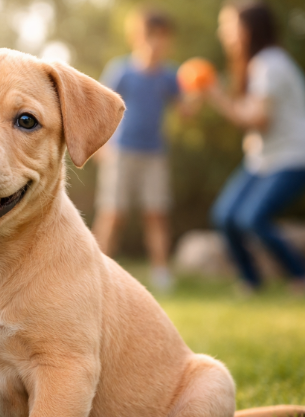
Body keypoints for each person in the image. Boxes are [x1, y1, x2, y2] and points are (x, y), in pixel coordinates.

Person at [207, 1, 305, 294]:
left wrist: (215, 95)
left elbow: (258, 118)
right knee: (225, 216)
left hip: (291, 157)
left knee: (252, 218)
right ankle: (251, 282)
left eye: (229, 26)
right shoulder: (257, 65)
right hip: (262, 159)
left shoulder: (270, 64)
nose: (223, 33)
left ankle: (299, 276)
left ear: (248, 30)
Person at [93, 7, 194, 292]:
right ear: (137, 38)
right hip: (121, 152)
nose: (156, 43)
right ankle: (94, 269)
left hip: (154, 154)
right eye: (151, 36)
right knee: (112, 213)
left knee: (156, 213)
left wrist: (197, 92)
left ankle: (161, 273)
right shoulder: (121, 71)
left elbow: (186, 111)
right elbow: (100, 108)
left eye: (162, 37)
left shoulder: (170, 75)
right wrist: (100, 147)